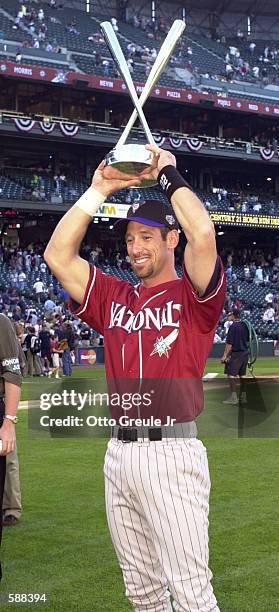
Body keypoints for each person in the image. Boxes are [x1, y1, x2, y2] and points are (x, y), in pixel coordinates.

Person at [45, 145, 225, 611]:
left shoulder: (194, 297)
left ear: (170, 239)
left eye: (147, 236)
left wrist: (168, 174)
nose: (136, 248)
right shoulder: (115, 297)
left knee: (190, 591)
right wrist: (98, 189)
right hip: (119, 453)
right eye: (129, 239)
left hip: (171, 452)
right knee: (142, 594)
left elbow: (202, 231)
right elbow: (58, 255)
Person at [0, 314, 22, 578]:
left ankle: (13, 507)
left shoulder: (2, 322)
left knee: (11, 464)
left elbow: (13, 373)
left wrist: (9, 421)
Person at [221, 309, 249, 405]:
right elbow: (250, 338)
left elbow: (229, 343)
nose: (230, 316)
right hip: (245, 352)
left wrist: (224, 356)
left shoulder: (233, 326)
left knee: (230, 374)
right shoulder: (245, 325)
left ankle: (233, 398)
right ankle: (243, 397)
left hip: (237, 353)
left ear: (234, 315)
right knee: (242, 375)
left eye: (231, 315)